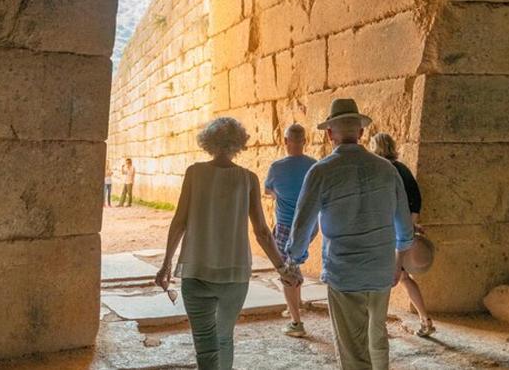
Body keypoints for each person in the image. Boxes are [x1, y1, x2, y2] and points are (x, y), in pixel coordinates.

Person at [155, 117, 300, 370]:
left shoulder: (194, 173)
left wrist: (166, 264)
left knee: (205, 343)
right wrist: (282, 269)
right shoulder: (248, 179)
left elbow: (179, 222)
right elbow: (262, 232)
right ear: (239, 143)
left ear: (208, 142)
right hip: (235, 275)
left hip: (196, 271)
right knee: (224, 337)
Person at [285, 98, 414, 370]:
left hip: (345, 272)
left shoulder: (321, 171)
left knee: (353, 352)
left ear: (329, 134)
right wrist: (398, 261)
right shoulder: (387, 169)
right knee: (377, 338)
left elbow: (302, 223)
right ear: (361, 132)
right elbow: (404, 224)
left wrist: (294, 259)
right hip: (381, 268)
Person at [369, 132, 435, 337]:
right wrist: (411, 226)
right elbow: (415, 201)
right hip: (404, 232)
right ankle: (425, 320)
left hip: (389, 233)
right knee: (404, 277)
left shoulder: (382, 171)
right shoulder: (403, 169)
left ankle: (378, 326)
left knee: (385, 278)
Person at [264, 124, 317, 337]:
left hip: (286, 225)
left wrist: (279, 195)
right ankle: (296, 303)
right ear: (305, 141)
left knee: (286, 270)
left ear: (285, 141)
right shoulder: (314, 165)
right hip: (310, 225)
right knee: (294, 264)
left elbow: (268, 190)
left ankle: (296, 323)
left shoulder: (277, 167)